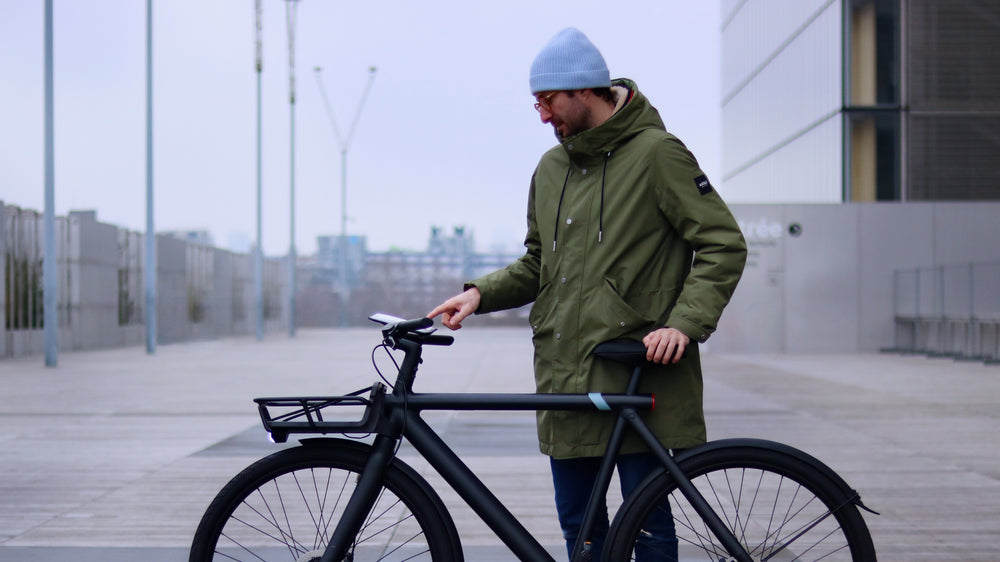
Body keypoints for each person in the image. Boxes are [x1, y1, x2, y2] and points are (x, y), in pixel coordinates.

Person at [428, 28, 747, 561]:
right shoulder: (551, 168)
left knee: (647, 526)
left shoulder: (658, 154)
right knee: (581, 530)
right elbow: (538, 263)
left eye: (548, 100)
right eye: (536, 103)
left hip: (637, 369)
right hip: (566, 373)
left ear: (582, 90)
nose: (542, 115)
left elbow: (722, 244)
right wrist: (480, 294)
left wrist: (683, 324)